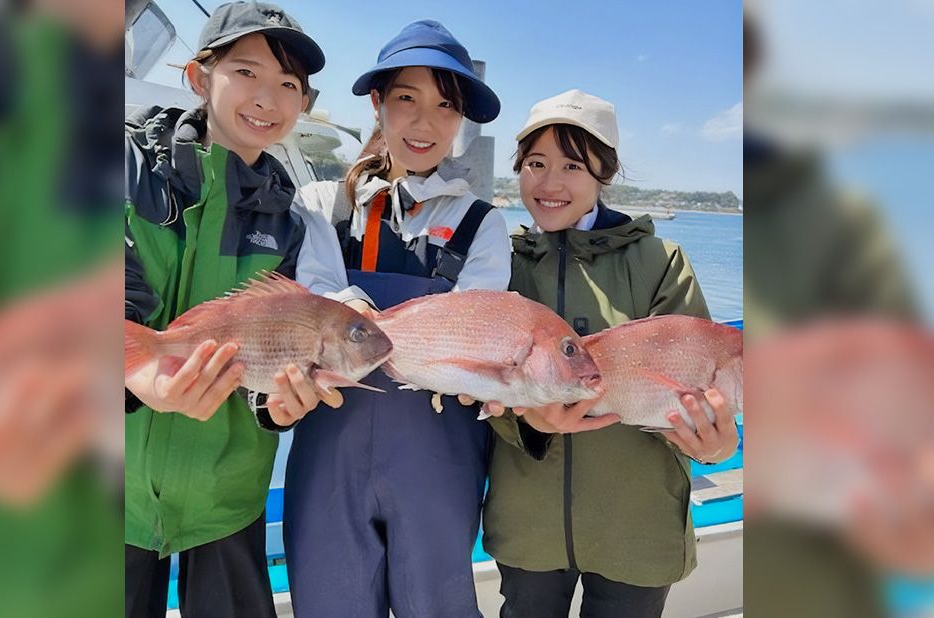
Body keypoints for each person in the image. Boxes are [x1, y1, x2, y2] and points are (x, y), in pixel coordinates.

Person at [123, 3, 365, 616]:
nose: (268, 98)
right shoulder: (121, 170)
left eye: (289, 85)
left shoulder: (294, 224)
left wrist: (279, 407)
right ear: (200, 78)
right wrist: (129, 374)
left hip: (227, 498)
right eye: (247, 72)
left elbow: (272, 365)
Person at [277, 20, 511, 618]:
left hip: (439, 460)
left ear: (460, 122)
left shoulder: (481, 225)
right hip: (330, 452)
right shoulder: (323, 206)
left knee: (436, 604)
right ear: (377, 104)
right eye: (406, 99)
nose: (425, 123)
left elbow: (473, 326)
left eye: (445, 106)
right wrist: (345, 306)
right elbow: (318, 297)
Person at [480, 90, 739, 617]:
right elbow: (480, 385)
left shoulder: (661, 262)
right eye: (535, 163)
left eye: (572, 165)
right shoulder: (498, 262)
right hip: (529, 524)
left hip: (637, 529)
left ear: (605, 174)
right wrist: (532, 421)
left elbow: (701, 386)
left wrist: (713, 441)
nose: (549, 183)